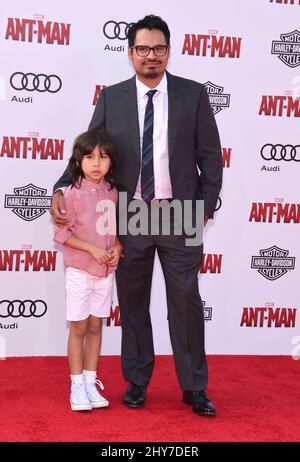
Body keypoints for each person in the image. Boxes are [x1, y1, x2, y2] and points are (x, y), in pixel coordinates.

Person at [51, 15, 222, 416]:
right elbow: (85, 153)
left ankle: (195, 387)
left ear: (168, 51)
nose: (151, 56)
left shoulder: (193, 95)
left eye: (158, 48)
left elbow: (210, 158)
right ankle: (137, 382)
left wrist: (204, 207)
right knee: (132, 303)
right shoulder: (112, 98)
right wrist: (60, 189)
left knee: (186, 302)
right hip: (127, 215)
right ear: (130, 53)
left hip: (180, 214)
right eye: (143, 49)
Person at [53, 129, 122, 411]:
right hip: (80, 271)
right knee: (79, 326)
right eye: (90, 157)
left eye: (103, 157)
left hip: (105, 274)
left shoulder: (112, 192)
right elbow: (61, 235)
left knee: (96, 326)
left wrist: (116, 249)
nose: (97, 163)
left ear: (111, 162)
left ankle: (91, 382)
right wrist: (92, 250)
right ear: (78, 160)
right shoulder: (71, 193)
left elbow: (112, 232)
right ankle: (76, 384)